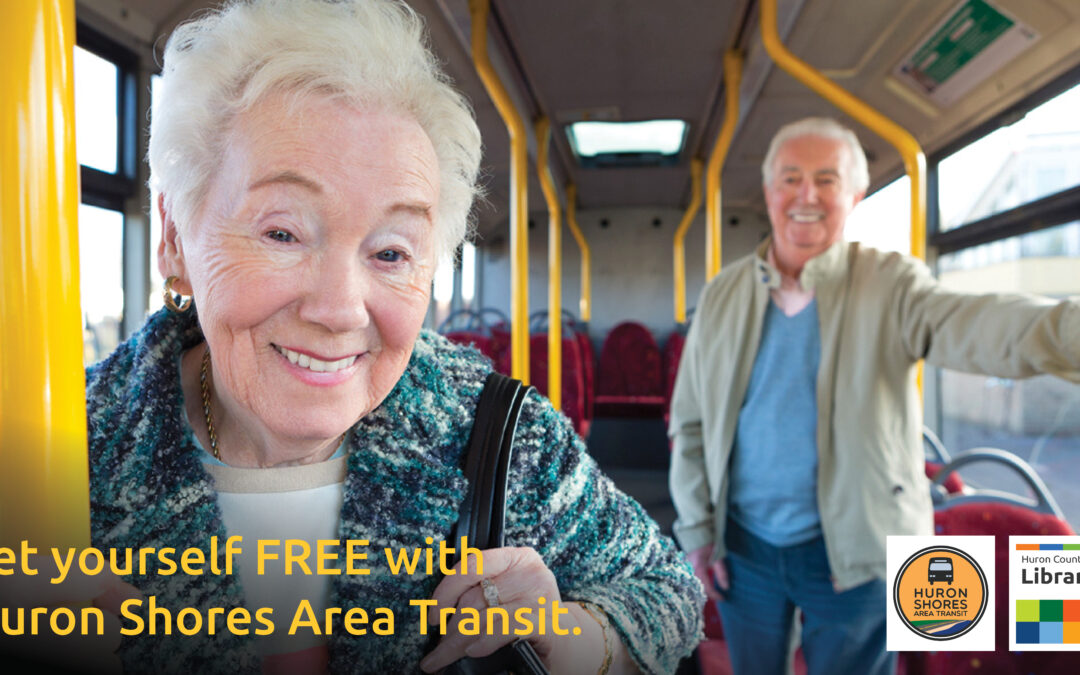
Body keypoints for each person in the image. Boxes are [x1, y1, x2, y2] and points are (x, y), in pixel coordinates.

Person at [69, 1, 704, 672]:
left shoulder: (499, 434)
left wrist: (575, 636)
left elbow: (668, 592)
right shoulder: (61, 456)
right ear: (172, 236)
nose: (340, 309)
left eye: (392, 253)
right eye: (282, 232)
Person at [667, 116, 1080, 675]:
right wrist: (696, 530)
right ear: (767, 193)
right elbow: (690, 422)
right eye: (789, 178)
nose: (806, 195)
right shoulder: (723, 296)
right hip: (745, 549)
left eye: (827, 179)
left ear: (855, 195)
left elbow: (983, 326)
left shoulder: (891, 284)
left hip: (858, 552)